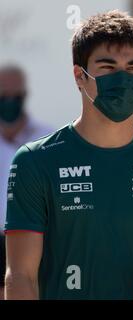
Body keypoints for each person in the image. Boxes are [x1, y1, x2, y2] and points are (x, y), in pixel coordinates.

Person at [4, 11, 133, 300]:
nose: (122, 78)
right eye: (108, 67)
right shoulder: (35, 161)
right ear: (79, 76)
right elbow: (20, 276)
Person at [0, 65, 52, 299]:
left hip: (35, 241)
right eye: (3, 97)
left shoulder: (47, 139)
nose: (10, 102)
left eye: (16, 96)